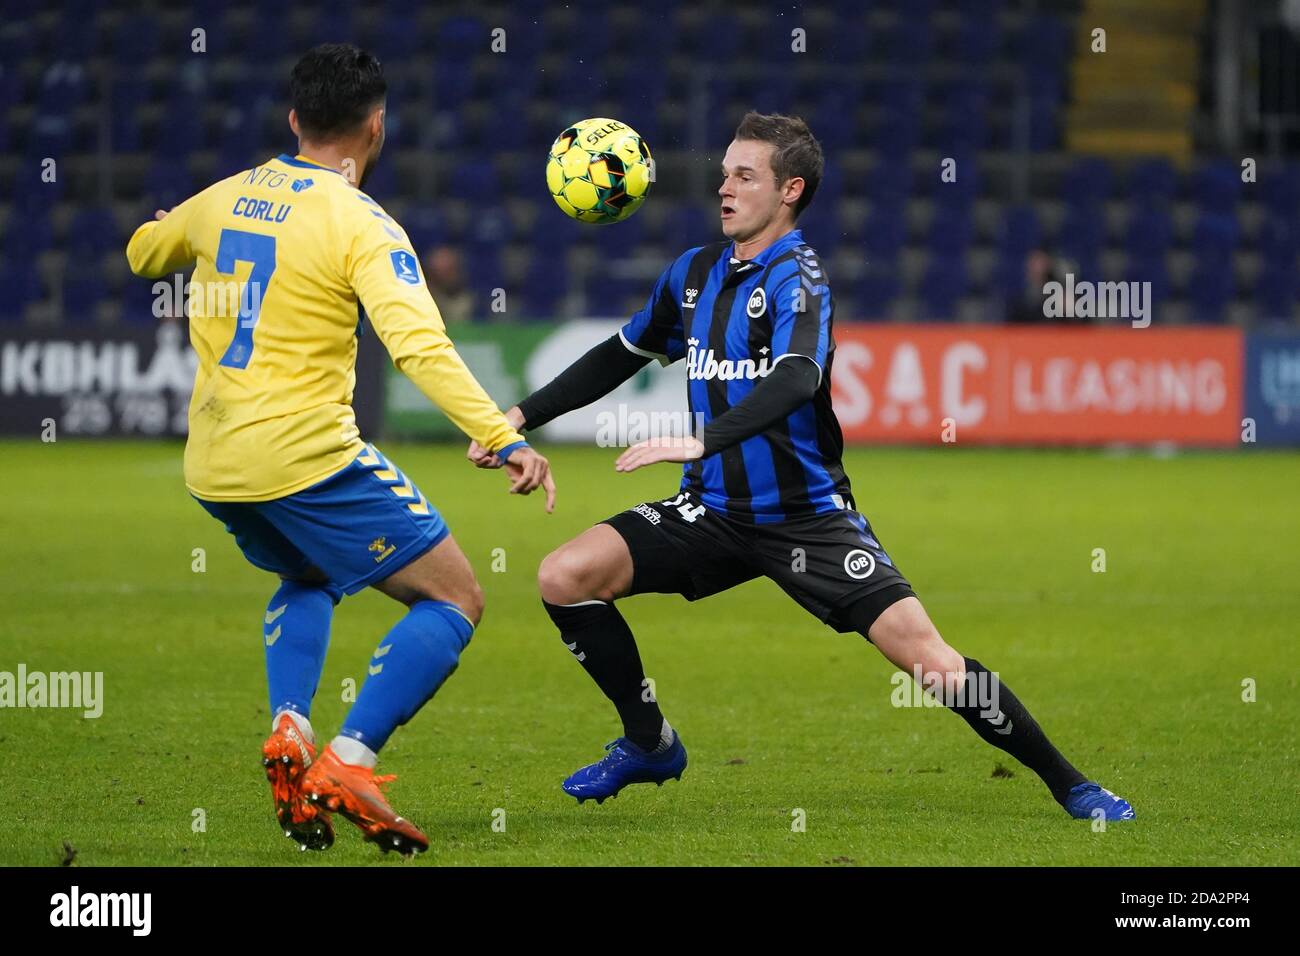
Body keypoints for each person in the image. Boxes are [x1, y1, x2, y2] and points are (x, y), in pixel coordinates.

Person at [471, 112, 1133, 822]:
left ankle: (1073, 785)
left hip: (808, 519)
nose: (723, 187)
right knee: (564, 577)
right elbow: (619, 355)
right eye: (724, 172)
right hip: (713, 511)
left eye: (743, 175)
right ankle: (650, 741)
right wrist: (517, 417)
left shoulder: (801, 280)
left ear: (790, 190)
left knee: (932, 663)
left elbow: (796, 378)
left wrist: (703, 439)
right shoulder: (692, 274)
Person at [125, 43, 555, 856]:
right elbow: (418, 346)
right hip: (307, 457)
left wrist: (157, 231)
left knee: (308, 575)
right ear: (376, 126)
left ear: (293, 120)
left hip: (216, 465)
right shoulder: (361, 222)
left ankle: (290, 727)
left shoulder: (224, 198)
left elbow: (145, 254)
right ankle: (349, 761)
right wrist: (501, 436)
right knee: (456, 597)